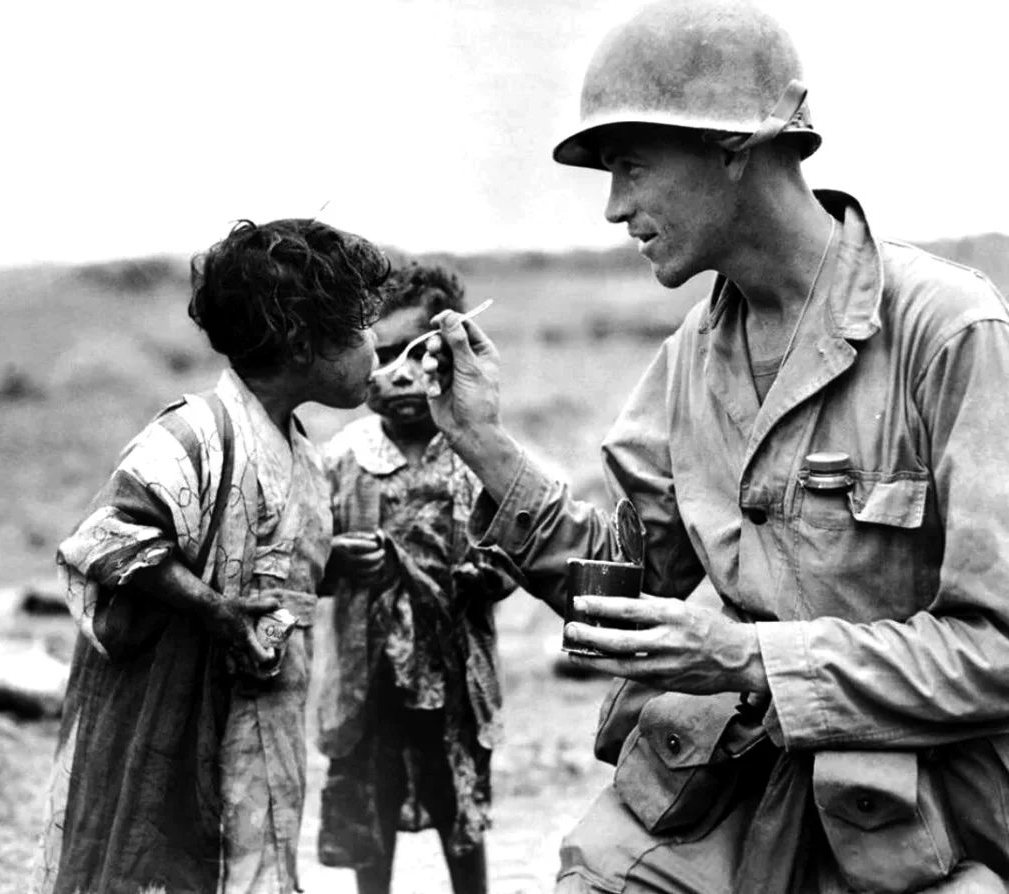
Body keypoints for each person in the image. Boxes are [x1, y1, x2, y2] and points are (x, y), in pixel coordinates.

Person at [419, 1, 1009, 892]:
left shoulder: (949, 331)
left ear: (734, 146)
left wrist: (746, 658)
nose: (616, 208)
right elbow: (620, 595)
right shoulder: (689, 361)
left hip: (923, 808)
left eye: (632, 168)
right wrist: (483, 442)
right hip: (732, 800)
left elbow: (997, 651)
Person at [30, 218, 390, 894]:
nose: (378, 344)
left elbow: (270, 563)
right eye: (360, 326)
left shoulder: (299, 451)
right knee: (170, 860)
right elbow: (111, 537)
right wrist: (218, 610)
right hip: (187, 712)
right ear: (301, 341)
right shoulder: (193, 434)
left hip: (265, 714)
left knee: (258, 856)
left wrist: (334, 566)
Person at [315, 261, 521, 894]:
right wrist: (336, 560)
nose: (400, 373)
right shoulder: (340, 461)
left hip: (453, 677)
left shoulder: (478, 456)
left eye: (417, 353)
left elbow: (517, 547)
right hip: (369, 682)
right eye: (382, 354)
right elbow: (300, 562)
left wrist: (494, 574)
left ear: (449, 354)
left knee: (459, 806)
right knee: (368, 820)